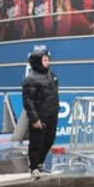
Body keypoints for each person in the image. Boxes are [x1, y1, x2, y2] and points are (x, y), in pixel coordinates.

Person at [21, 48, 60, 179]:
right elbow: (28, 102)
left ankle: (40, 163)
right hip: (40, 115)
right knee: (37, 141)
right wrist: (34, 118)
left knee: (49, 139)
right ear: (38, 62)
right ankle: (33, 167)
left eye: (48, 60)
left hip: (52, 114)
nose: (47, 62)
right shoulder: (30, 79)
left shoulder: (51, 75)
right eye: (44, 60)